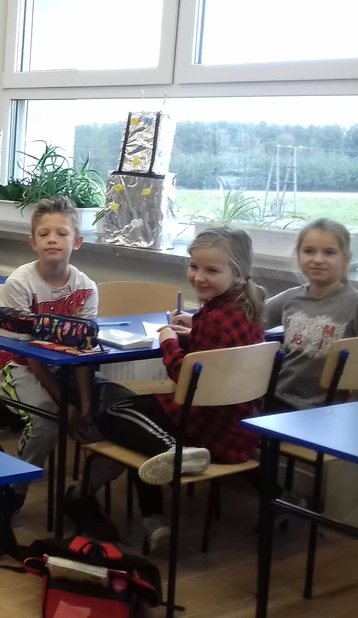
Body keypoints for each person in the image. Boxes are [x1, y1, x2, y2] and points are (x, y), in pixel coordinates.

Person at [67, 226, 267, 552]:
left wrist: (169, 342)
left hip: (204, 426)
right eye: (194, 266)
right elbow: (219, 357)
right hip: (238, 428)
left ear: (239, 273)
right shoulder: (246, 309)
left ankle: (167, 468)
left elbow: (186, 381)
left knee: (116, 414)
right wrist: (194, 330)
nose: (199, 277)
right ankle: (153, 515)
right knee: (136, 421)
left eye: (211, 270)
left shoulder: (214, 320)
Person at [0, 196, 99, 504]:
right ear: (33, 242)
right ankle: (13, 492)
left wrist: (85, 406)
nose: (52, 239)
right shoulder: (20, 283)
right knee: (46, 422)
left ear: (77, 242)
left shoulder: (86, 288)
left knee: (106, 412)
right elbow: (29, 351)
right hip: (20, 366)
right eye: (44, 234)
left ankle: (82, 498)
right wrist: (63, 404)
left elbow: (84, 351)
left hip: (66, 366)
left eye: (62, 233)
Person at [264, 219, 358, 411]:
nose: (318, 260)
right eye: (309, 251)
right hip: (280, 403)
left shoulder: (354, 303)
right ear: (298, 255)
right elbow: (253, 317)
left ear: (346, 259)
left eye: (329, 252)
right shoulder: (289, 298)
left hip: (331, 410)